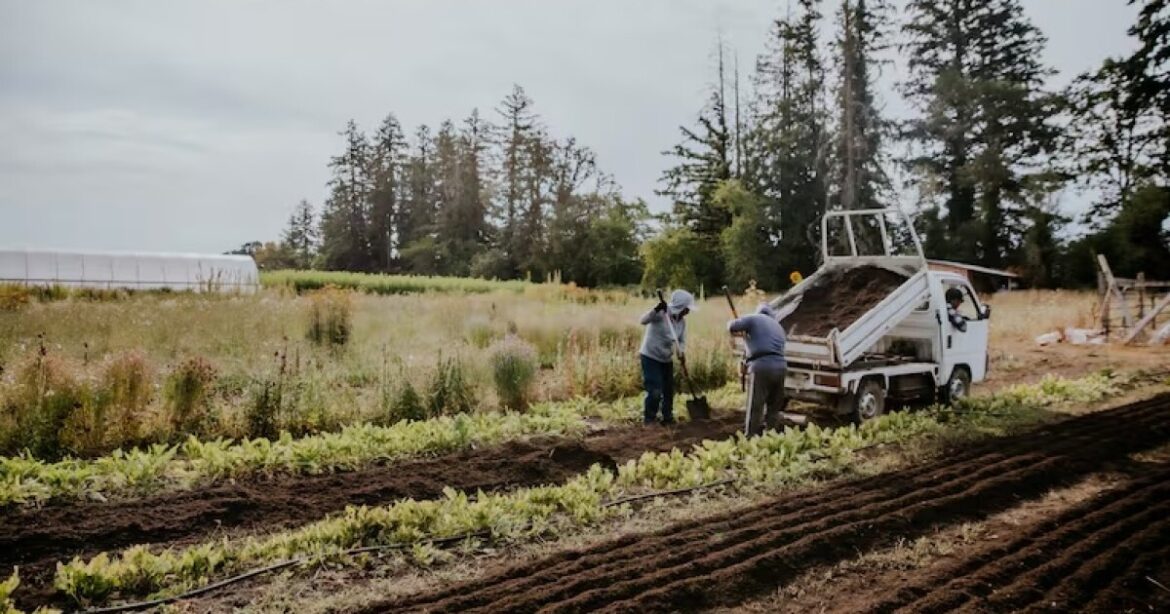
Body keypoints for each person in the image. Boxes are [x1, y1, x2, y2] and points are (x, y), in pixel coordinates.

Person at [638, 289, 696, 426]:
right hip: (650, 356)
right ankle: (649, 419)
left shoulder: (682, 322)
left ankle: (667, 417)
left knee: (668, 390)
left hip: (666, 359)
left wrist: (681, 352)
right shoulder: (661, 314)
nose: (688, 311)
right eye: (687, 308)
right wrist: (655, 309)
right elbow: (643, 321)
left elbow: (681, 340)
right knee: (655, 390)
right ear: (681, 307)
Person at [728, 303, 787, 437]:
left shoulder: (753, 319)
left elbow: (731, 327)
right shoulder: (779, 327)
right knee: (774, 407)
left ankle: (750, 437)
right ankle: (771, 436)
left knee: (756, 405)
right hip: (781, 366)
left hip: (761, 366)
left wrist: (741, 327)